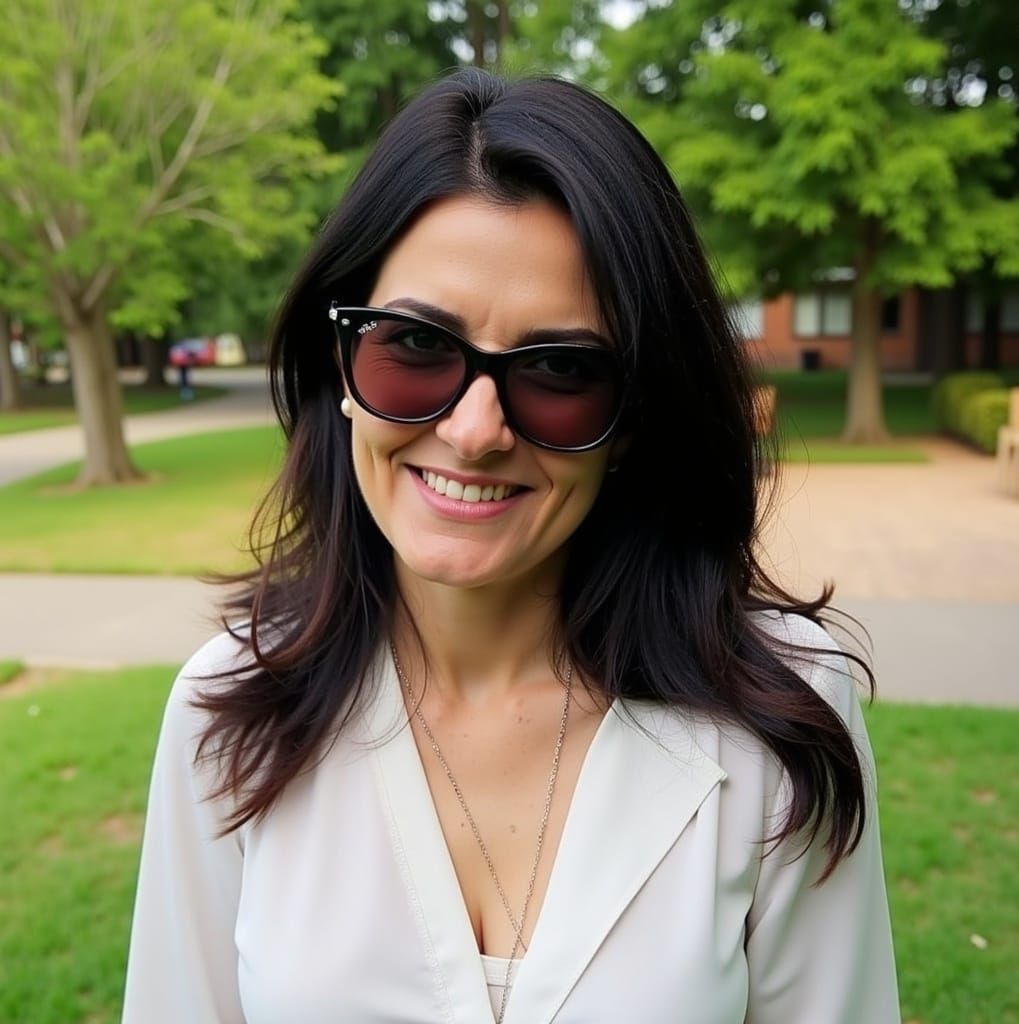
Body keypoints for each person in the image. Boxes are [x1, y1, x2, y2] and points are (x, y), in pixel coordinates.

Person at [122, 69, 900, 1023]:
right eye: (413, 347)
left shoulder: (784, 720)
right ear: (340, 364)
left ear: (639, 416)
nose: (476, 429)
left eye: (561, 370)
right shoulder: (227, 711)